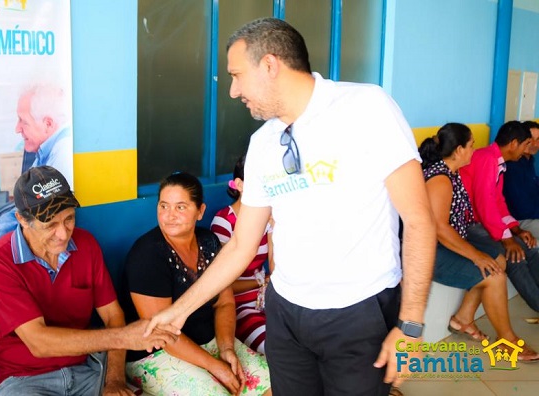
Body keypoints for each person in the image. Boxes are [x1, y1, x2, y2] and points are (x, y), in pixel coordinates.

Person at [144, 18, 437, 396]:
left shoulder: (366, 107)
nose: (233, 91)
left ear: (270, 65)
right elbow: (239, 245)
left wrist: (410, 325)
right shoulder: (264, 143)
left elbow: (418, 220)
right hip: (286, 314)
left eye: (237, 75)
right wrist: (178, 311)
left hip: (357, 311)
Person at [0, 166, 177, 396]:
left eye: (69, 219)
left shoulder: (86, 245)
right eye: (50, 225)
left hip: (87, 370)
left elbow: (113, 316)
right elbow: (39, 342)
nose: (64, 234)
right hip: (25, 380)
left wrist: (114, 382)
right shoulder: (0, 261)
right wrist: (125, 337)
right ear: (22, 220)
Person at [123, 172, 271, 396]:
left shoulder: (209, 241)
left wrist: (227, 349)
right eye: (163, 206)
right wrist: (215, 367)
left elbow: (224, 304)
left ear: (200, 211)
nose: (169, 215)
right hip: (157, 352)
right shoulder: (147, 254)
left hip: (210, 341)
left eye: (180, 207)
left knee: (273, 383)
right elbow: (161, 334)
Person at [419, 123, 539, 361]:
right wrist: (476, 254)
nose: (475, 150)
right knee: (494, 275)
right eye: (471, 145)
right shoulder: (441, 179)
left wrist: (504, 235)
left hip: (448, 243)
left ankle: (463, 318)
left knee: (497, 260)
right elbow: (440, 230)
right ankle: (507, 341)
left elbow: (493, 203)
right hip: (429, 252)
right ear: (459, 150)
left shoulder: (451, 173)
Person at [0, 83, 73, 256]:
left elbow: (34, 215)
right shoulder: (44, 152)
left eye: (23, 121)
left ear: (48, 124)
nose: (17, 128)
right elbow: (23, 207)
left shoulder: (63, 154)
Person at [459, 120, 539, 312]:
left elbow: (498, 201)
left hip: (483, 223)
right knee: (514, 256)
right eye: (526, 144)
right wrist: (507, 239)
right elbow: (485, 204)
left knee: (531, 249)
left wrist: (516, 229)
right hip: (467, 225)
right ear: (513, 143)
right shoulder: (487, 158)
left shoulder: (497, 161)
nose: (528, 149)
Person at [210, 155, 273, 354]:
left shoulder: (269, 217)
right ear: (239, 184)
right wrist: (263, 281)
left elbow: (275, 267)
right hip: (238, 306)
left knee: (304, 342)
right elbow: (223, 285)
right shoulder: (224, 221)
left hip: (268, 298)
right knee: (276, 350)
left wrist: (275, 224)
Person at [503, 120, 539, 240]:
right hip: (522, 220)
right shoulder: (512, 165)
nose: (534, 143)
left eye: (538, 139)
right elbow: (521, 208)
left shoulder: (529, 161)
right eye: (530, 139)